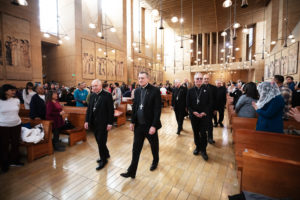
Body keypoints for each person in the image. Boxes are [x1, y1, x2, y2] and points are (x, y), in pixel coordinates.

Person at [120, 72, 162, 178]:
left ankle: (155, 160)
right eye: (139, 78)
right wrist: (132, 122)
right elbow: (135, 107)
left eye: (142, 78)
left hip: (150, 125)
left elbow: (157, 110)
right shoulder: (137, 91)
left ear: (148, 79)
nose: (140, 80)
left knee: (154, 145)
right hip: (139, 125)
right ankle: (131, 172)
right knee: (136, 149)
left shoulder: (155, 90)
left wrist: (154, 125)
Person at [85, 79, 114, 170]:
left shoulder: (107, 95)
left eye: (96, 86)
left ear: (100, 86)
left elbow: (110, 110)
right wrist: (87, 121)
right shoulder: (92, 95)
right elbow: (89, 109)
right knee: (98, 140)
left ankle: (103, 160)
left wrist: (110, 123)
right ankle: (106, 154)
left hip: (103, 123)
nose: (94, 87)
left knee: (101, 141)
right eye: (92, 86)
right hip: (94, 123)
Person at [186, 73, 213, 161]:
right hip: (194, 116)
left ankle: (204, 150)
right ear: (194, 80)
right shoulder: (190, 91)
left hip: (204, 116)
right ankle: (198, 147)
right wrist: (193, 112)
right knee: (196, 133)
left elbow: (210, 103)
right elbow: (188, 104)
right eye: (197, 79)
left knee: (203, 134)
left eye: (200, 79)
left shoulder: (207, 90)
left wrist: (204, 112)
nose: (199, 80)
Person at [0, 84, 24, 173]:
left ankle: (14, 161)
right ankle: (4, 164)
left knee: (15, 143)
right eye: (12, 90)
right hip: (3, 126)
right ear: (5, 91)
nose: (14, 92)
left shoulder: (16, 100)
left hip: (16, 124)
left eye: (14, 90)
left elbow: (17, 112)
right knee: (4, 145)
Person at [203, 74, 217, 144]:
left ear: (209, 79)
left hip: (210, 110)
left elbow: (216, 99)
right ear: (203, 79)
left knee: (210, 124)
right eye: (205, 79)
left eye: (207, 79)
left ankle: (210, 138)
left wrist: (215, 109)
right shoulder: (200, 87)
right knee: (202, 125)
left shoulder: (214, 88)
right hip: (202, 110)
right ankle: (203, 137)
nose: (206, 80)